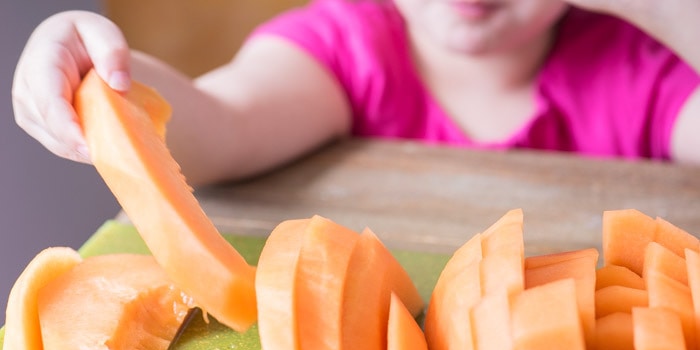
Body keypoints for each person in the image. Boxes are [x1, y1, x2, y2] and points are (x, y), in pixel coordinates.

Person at [11, 0, 700, 187]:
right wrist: (93, 69)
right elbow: (217, 127)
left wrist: (672, 11)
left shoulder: (648, 65)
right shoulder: (345, 45)